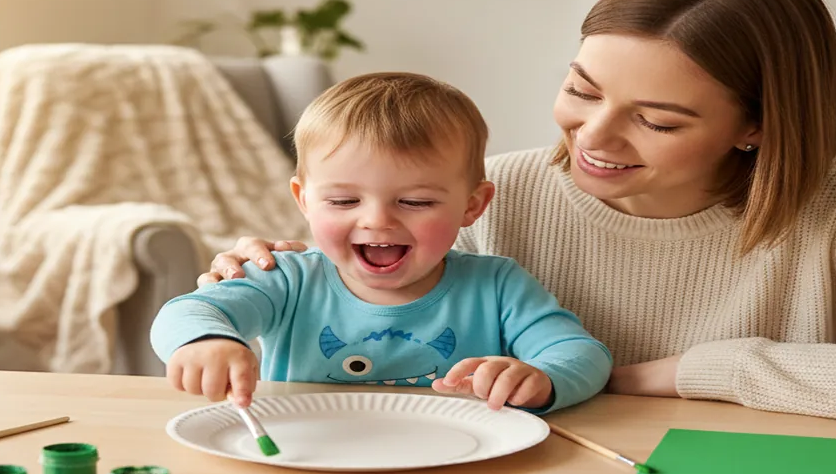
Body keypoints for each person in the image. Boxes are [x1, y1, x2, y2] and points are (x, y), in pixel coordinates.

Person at [201, 0, 836, 431]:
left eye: (654, 120)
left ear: (754, 127)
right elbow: (359, 313)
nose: (593, 139)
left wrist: (692, 371)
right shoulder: (493, 192)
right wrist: (261, 278)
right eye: (582, 89)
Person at [150, 72, 612, 413]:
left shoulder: (497, 285)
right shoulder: (285, 278)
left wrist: (540, 378)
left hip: (453, 458)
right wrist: (207, 339)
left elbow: (583, 355)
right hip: (311, 451)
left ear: (472, 206)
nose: (376, 221)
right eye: (344, 199)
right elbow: (185, 311)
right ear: (304, 200)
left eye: (414, 201)